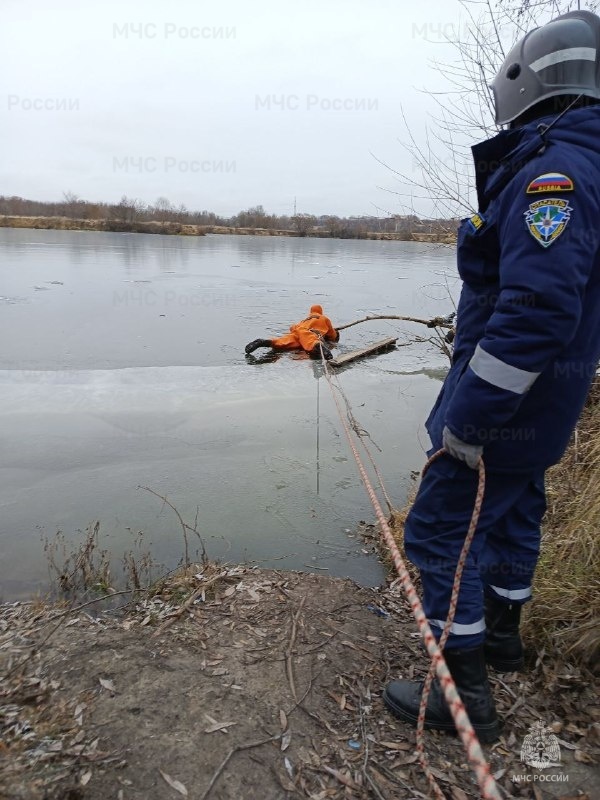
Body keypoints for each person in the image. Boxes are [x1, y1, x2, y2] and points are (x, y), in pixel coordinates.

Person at [383, 10, 600, 744]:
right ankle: (501, 640)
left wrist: (467, 423)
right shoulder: (582, 162)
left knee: (443, 528)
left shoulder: (552, 175)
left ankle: (461, 692)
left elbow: (537, 310)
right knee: (515, 509)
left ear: (527, 80)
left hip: (505, 411)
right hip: (544, 410)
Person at [245, 304, 339, 360]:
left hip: (297, 332)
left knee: (282, 342)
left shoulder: (306, 319)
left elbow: (294, 327)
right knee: (311, 341)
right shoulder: (324, 318)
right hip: (308, 333)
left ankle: (265, 342)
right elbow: (332, 334)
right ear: (321, 311)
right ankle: (320, 348)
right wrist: (334, 336)